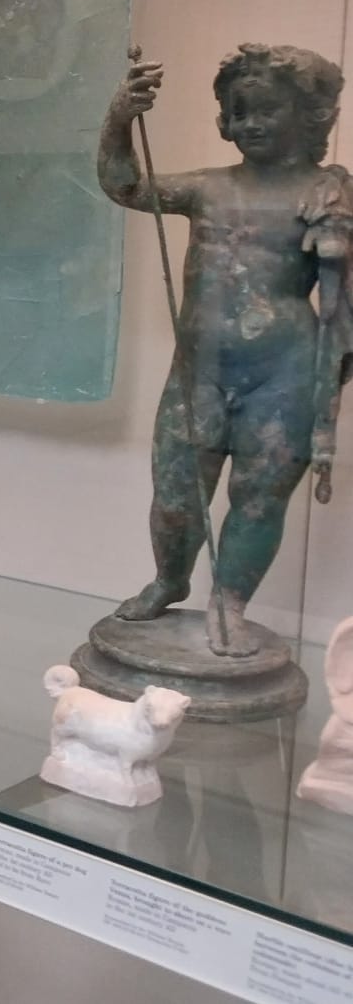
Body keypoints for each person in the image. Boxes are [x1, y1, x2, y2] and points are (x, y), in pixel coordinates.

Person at [99, 44, 353, 656]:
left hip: (284, 376)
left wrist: (327, 397)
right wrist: (119, 119)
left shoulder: (329, 195)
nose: (252, 124)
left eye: (267, 110)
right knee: (175, 498)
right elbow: (126, 185)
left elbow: (342, 309)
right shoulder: (208, 188)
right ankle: (170, 579)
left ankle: (229, 603)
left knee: (258, 500)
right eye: (240, 112)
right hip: (200, 373)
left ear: (312, 116)